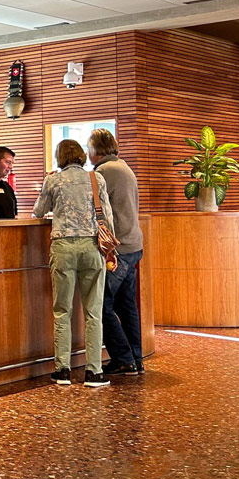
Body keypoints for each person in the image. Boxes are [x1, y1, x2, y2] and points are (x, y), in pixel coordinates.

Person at [33, 139, 114, 388]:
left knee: (62, 311)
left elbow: (38, 211)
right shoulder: (96, 178)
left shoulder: (53, 180)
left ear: (60, 157)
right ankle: (94, 372)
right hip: (92, 247)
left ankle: (63, 371)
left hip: (63, 247)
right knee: (93, 312)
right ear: (81, 155)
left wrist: (47, 189)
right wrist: (110, 248)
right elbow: (107, 216)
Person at [89, 128, 146, 376]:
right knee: (126, 306)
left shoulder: (103, 172)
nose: (87, 152)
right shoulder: (124, 167)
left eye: (89, 147)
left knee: (101, 304)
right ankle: (136, 358)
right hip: (133, 244)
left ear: (96, 149)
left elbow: (94, 207)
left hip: (118, 248)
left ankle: (123, 359)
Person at [0, 146, 17, 219]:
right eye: (7, 162)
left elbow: (15, 213)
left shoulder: (8, 187)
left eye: (12, 163)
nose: (11, 166)